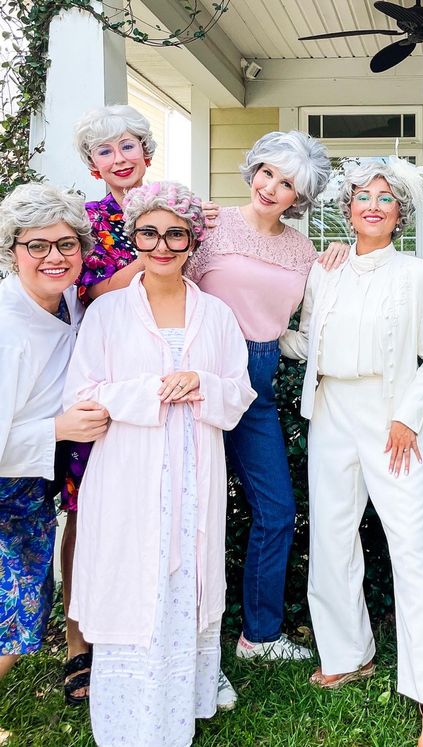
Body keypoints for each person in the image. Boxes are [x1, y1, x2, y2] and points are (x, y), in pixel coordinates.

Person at [63, 182, 256, 747]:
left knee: (184, 577)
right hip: (128, 469)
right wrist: (151, 391)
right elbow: (83, 395)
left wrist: (202, 384)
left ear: (192, 238)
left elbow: (239, 393)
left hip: (194, 471)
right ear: (133, 237)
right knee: (131, 576)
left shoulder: (215, 314)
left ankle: (181, 704)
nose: (162, 245)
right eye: (149, 232)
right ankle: (126, 719)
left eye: (175, 233)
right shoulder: (107, 313)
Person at [280, 158, 423, 747]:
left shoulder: (417, 275)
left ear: (401, 213)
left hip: (391, 419)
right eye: (362, 196)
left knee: (410, 546)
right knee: (331, 536)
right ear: (348, 207)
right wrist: (260, 324)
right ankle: (347, 652)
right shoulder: (324, 269)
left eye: (385, 198)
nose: (372, 206)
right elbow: (304, 339)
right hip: (330, 412)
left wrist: (406, 416)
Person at [185, 130, 346, 662]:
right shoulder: (209, 224)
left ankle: (259, 636)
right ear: (253, 169)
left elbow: (302, 326)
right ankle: (184, 637)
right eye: (268, 173)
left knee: (277, 510)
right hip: (200, 375)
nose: (272, 188)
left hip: (259, 378)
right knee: (191, 511)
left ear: (300, 198)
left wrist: (342, 258)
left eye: (288, 184)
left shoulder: (303, 250)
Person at [0, 184, 108, 720]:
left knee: (23, 614)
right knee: (14, 618)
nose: (53, 257)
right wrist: (59, 428)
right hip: (6, 486)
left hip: (32, 486)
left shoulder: (64, 297)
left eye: (66, 245)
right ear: (12, 250)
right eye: (36, 246)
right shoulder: (5, 327)